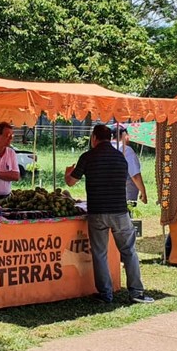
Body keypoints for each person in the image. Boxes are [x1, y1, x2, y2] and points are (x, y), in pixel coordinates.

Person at [65, 123, 152, 304]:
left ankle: (106, 294)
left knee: (100, 253)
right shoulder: (121, 158)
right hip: (120, 211)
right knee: (128, 251)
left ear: (94, 138)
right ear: (110, 137)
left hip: (97, 212)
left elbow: (71, 183)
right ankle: (136, 292)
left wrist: (68, 173)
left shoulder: (87, 157)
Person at [113, 125, 148, 206]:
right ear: (125, 135)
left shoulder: (106, 148)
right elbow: (134, 175)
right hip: (124, 195)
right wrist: (143, 192)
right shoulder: (126, 150)